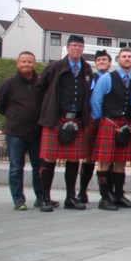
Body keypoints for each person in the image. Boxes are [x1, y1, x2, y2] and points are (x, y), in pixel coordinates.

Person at [37, 34, 93, 212]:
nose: (77, 49)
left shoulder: (86, 68)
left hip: (76, 118)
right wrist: (48, 107)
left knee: (74, 159)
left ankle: (70, 197)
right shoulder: (54, 67)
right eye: (74, 46)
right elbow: (41, 88)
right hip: (56, 118)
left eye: (80, 46)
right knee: (49, 159)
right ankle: (45, 197)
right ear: (68, 47)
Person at [90, 47, 131, 211]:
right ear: (118, 60)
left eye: (129, 56)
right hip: (109, 123)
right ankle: (105, 197)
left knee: (121, 162)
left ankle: (118, 195)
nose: (127, 59)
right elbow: (96, 101)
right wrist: (102, 121)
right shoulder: (107, 78)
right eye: (124, 56)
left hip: (126, 124)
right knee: (104, 162)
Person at [0, 51, 43, 210]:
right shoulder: (8, 84)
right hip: (16, 133)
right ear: (18, 63)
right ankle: (18, 200)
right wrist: (13, 116)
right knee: (16, 168)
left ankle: (41, 197)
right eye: (23, 62)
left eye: (29, 62)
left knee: (39, 167)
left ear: (34, 64)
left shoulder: (41, 82)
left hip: (36, 132)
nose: (26, 65)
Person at [78, 49, 111, 204]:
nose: (102, 62)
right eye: (99, 60)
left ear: (110, 63)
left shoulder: (113, 78)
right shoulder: (90, 79)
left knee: (108, 158)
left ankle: (107, 191)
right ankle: (82, 191)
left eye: (104, 60)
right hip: (94, 119)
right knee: (89, 157)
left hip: (109, 121)